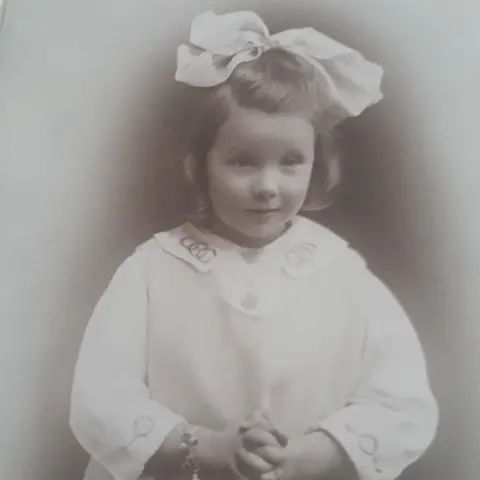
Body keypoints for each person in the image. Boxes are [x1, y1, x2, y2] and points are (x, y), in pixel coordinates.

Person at [69, 10, 439, 480]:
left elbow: (402, 403)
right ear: (198, 165)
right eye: (242, 162)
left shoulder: (343, 274)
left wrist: (309, 454)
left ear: (315, 163)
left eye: (290, 162)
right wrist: (202, 448)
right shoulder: (151, 271)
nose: (268, 186)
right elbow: (100, 399)